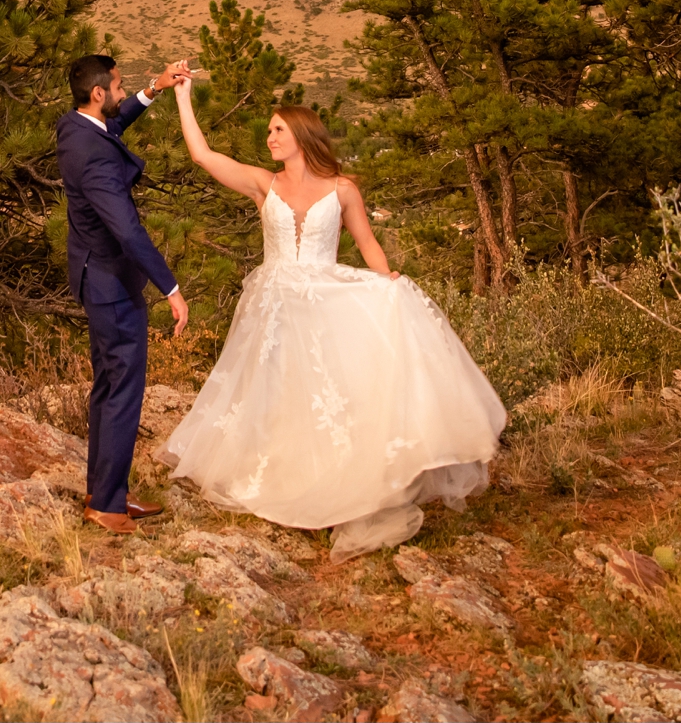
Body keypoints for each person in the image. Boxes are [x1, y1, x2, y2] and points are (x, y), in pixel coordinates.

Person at [157, 65, 506, 557]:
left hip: (324, 302)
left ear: (301, 135)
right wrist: (184, 97)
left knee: (329, 399)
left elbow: (367, 246)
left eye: (278, 129)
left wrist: (390, 286)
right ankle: (287, 482)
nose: (270, 136)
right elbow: (203, 154)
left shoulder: (343, 189)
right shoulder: (264, 184)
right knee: (278, 396)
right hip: (275, 305)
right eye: (271, 130)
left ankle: (341, 487)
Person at [56, 54, 193, 534]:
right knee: (123, 390)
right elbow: (129, 231)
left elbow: (111, 128)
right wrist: (171, 288)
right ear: (98, 94)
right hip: (112, 285)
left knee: (107, 387)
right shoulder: (93, 155)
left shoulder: (75, 127)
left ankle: (104, 487)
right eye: (117, 88)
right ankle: (106, 505)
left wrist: (152, 90)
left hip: (93, 275)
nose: (120, 93)